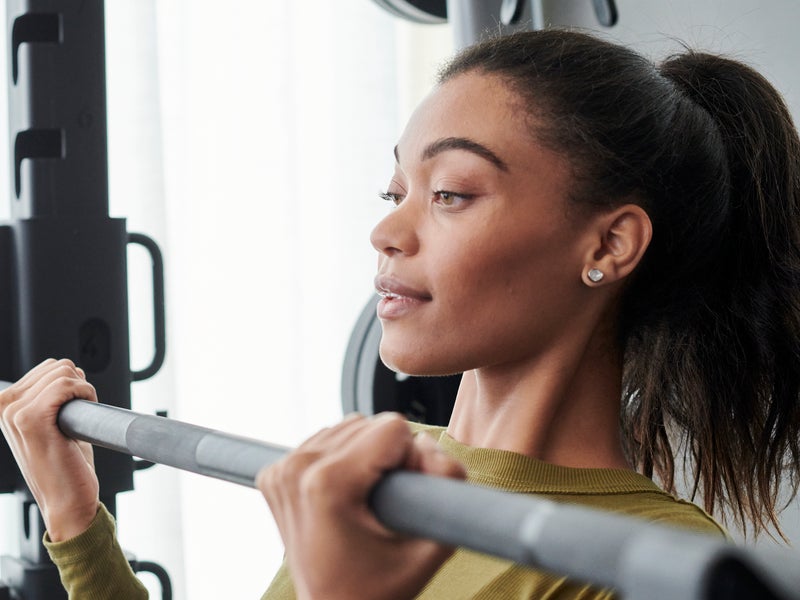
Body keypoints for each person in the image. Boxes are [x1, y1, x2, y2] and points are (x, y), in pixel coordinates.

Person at [2, 27, 800, 600]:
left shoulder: (652, 561)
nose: (386, 231)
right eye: (395, 194)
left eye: (450, 193)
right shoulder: (386, 465)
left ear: (610, 243)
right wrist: (76, 518)